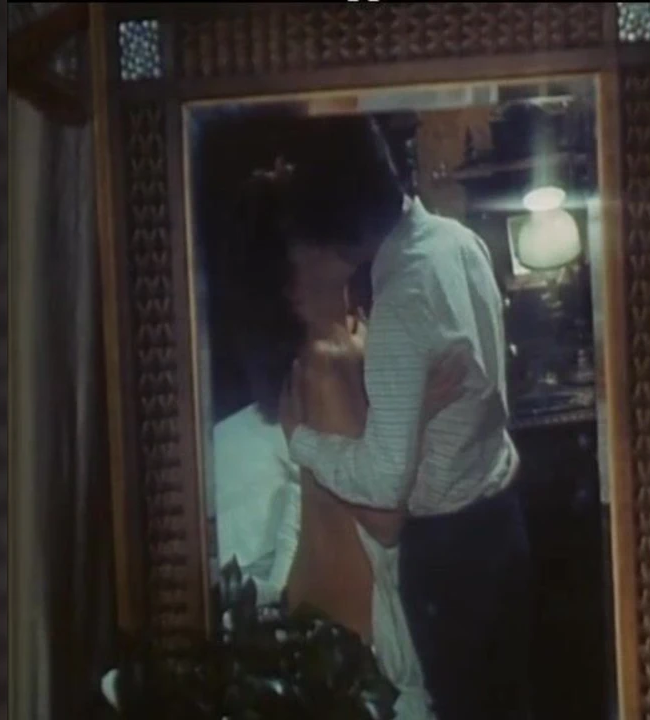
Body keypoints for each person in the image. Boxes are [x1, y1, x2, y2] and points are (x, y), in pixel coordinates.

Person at [277, 115, 533, 720]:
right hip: (503, 518)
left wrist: (301, 442)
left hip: (451, 553)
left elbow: (383, 486)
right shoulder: (457, 239)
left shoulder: (398, 304)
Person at [212, 169, 465, 719]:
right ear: (289, 277)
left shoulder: (336, 361)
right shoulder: (326, 365)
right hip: (355, 656)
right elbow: (382, 518)